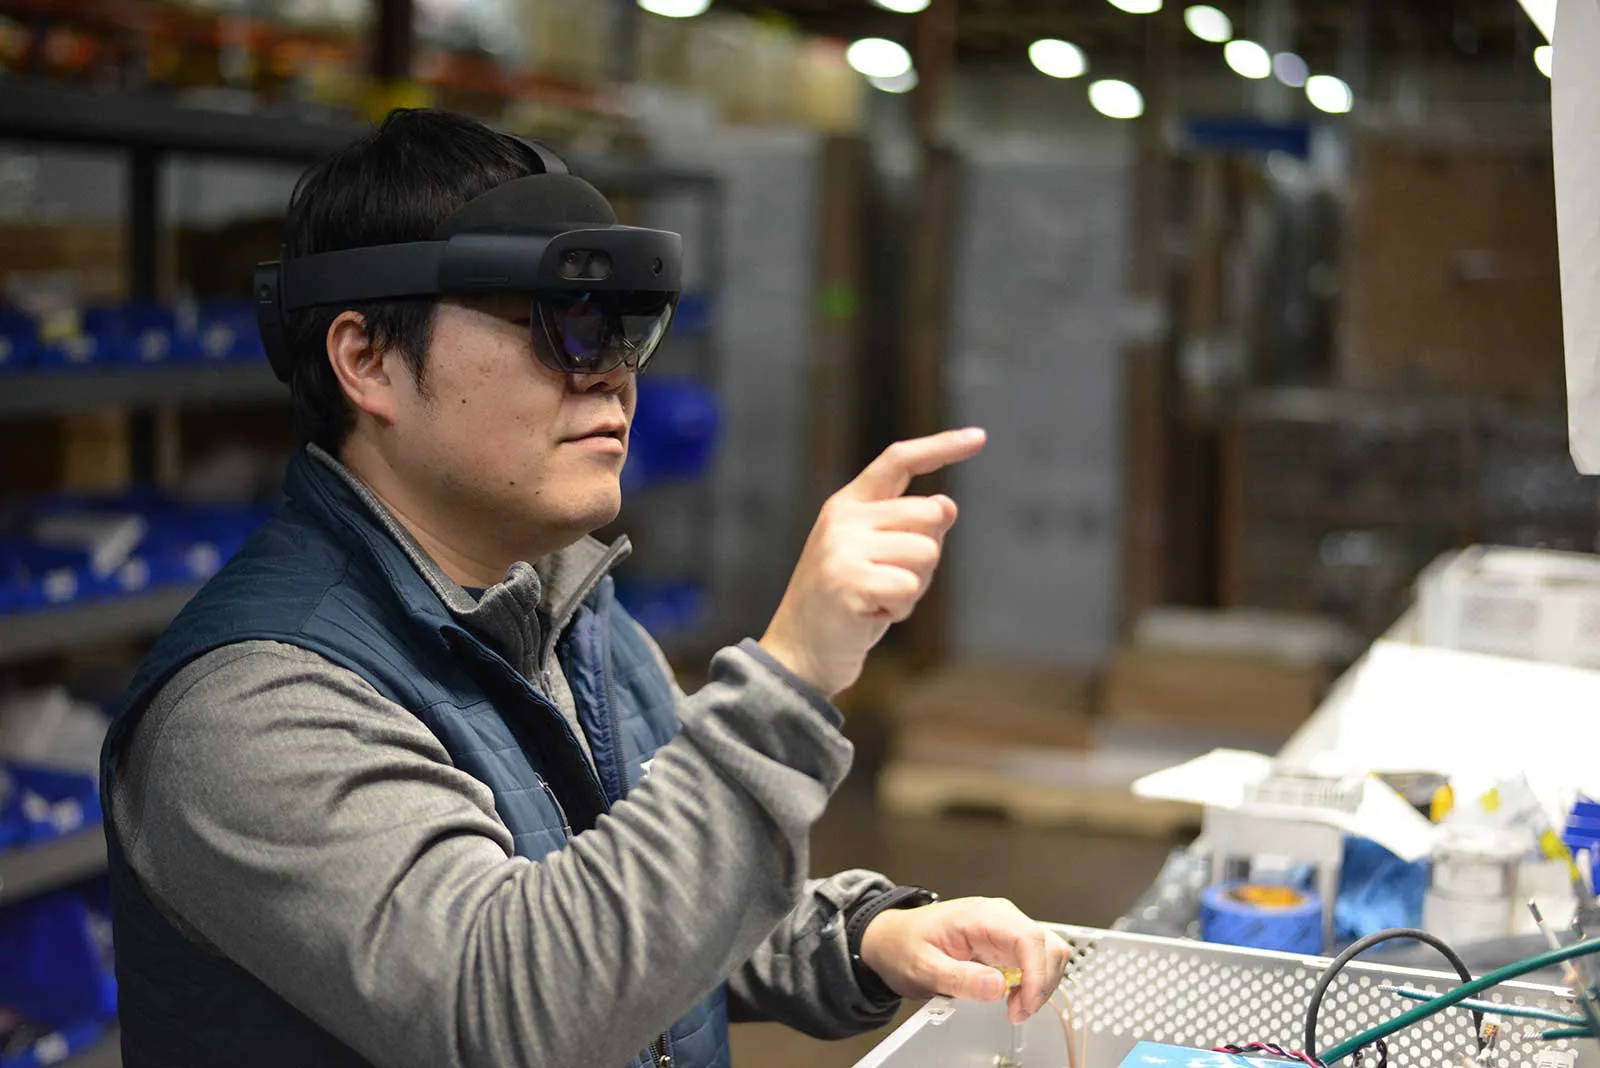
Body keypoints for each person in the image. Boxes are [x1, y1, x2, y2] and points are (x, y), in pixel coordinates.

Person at [99, 108, 1069, 1068]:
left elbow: (646, 904)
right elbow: (516, 1010)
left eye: (623, 331)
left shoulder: (567, 611)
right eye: (558, 326)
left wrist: (856, 937)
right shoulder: (254, 707)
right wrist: (792, 676)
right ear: (368, 361)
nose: (611, 378)